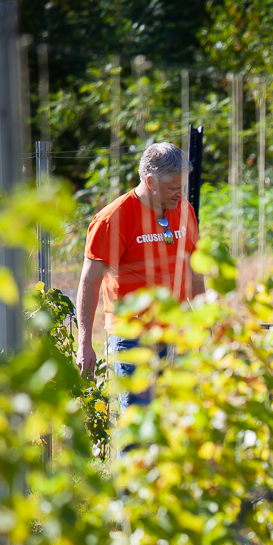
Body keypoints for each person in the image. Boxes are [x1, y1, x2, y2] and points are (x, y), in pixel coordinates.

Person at [74, 142, 203, 408]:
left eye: (182, 187)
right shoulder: (113, 219)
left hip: (177, 332)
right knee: (139, 433)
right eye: (173, 188)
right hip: (132, 337)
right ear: (151, 181)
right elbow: (90, 280)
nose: (180, 194)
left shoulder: (185, 211)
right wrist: (84, 342)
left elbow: (193, 272)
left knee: (179, 427)